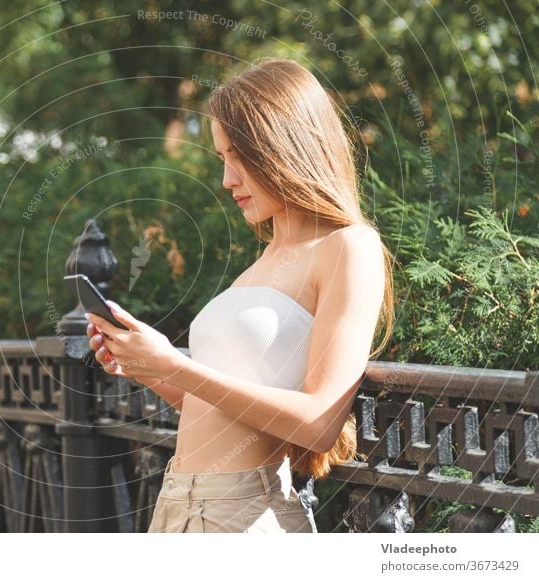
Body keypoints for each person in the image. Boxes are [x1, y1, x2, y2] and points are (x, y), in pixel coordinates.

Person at [84, 57, 395, 533]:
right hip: (175, 506)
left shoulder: (348, 247)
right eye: (222, 159)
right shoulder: (267, 258)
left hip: (246, 518)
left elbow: (319, 421)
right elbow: (217, 411)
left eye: (239, 158)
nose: (227, 179)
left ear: (285, 147)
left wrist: (176, 366)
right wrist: (148, 367)